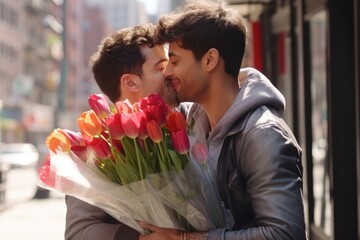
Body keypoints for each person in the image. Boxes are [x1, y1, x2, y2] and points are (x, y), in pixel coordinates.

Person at [138, 1, 307, 239]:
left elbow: (284, 233)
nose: (167, 72)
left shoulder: (262, 135)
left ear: (210, 60)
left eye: (175, 62)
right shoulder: (191, 121)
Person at [65, 23, 178, 240]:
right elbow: (78, 232)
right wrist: (141, 237)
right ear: (130, 82)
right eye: (161, 66)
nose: (171, 72)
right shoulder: (94, 150)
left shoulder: (188, 124)